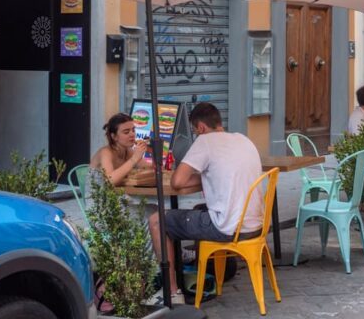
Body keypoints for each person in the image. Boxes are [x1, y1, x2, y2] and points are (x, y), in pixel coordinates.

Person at [148, 102, 263, 303]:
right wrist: (207, 175)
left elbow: (177, 181)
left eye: (194, 131)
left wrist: (200, 173)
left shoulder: (205, 142)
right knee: (198, 210)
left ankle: (172, 291)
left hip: (228, 227)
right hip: (255, 224)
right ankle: (199, 270)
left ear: (201, 127)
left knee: (158, 220)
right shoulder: (243, 139)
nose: (196, 135)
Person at [90, 112, 151, 185]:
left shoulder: (128, 151)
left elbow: (149, 168)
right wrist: (134, 159)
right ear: (114, 136)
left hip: (117, 193)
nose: (132, 134)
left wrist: (152, 151)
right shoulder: (106, 152)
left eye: (133, 130)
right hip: (97, 195)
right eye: (126, 132)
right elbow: (110, 181)